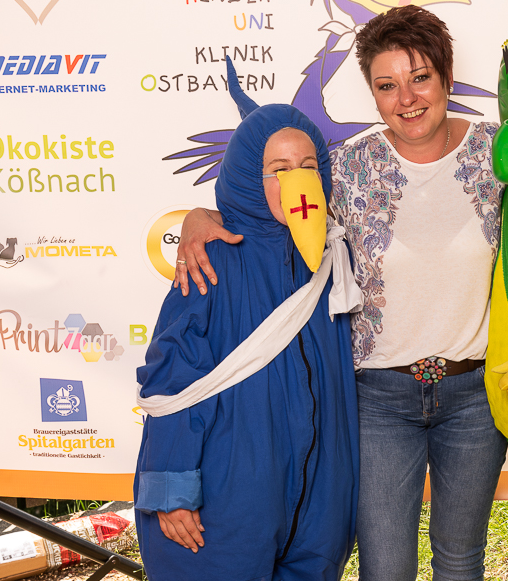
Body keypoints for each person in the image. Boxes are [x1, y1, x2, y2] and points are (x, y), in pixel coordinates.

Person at [174, 5, 508, 581]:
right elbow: (268, 211)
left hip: (475, 395)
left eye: (420, 78)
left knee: (461, 558)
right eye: (387, 85)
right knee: (386, 567)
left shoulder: (505, 155)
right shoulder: (345, 168)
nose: (407, 98)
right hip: (377, 398)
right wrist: (199, 216)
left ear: (446, 77)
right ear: (372, 94)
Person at [134, 101, 360, 581]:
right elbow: (174, 379)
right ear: (244, 177)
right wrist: (172, 492)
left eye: (308, 167)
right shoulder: (209, 257)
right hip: (227, 501)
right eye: (278, 170)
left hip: (317, 500)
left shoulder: (334, 258)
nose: (296, 182)